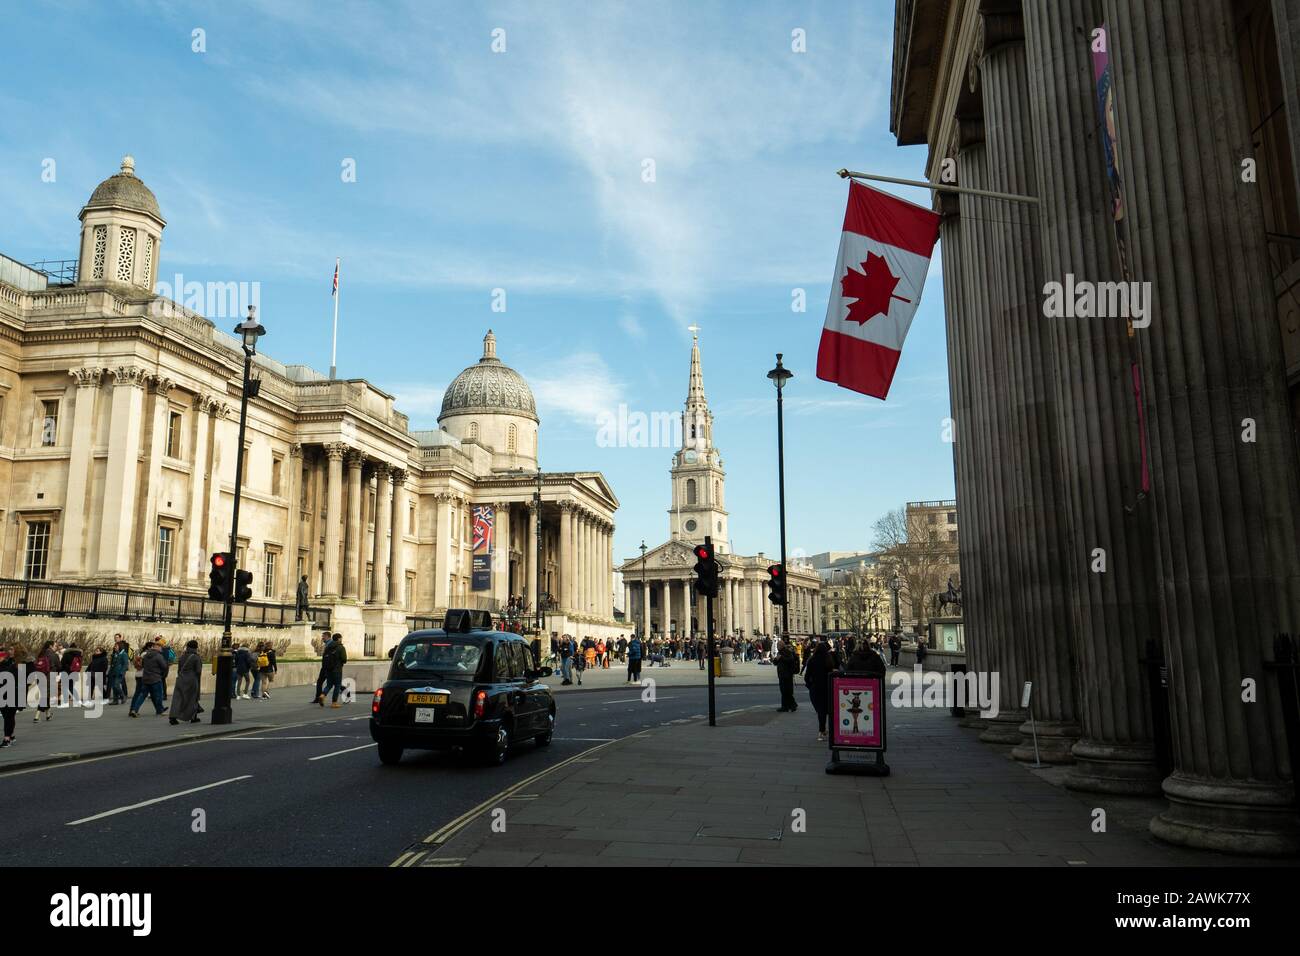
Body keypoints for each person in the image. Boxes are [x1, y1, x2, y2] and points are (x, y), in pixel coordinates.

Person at [803, 640, 834, 741]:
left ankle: (821, 731)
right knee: (830, 710)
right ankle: (832, 730)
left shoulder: (812, 660)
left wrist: (810, 686)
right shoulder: (829, 659)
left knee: (820, 711)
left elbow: (807, 677)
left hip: (816, 689)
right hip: (828, 688)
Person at [168, 640, 203, 725]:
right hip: (192, 680)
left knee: (177, 698)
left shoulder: (182, 656)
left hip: (181, 679)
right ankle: (193, 717)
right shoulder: (196, 657)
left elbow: (179, 669)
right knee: (192, 698)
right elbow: (198, 670)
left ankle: (173, 716)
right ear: (196, 647)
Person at [129, 642, 167, 717]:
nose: (161, 649)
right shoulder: (158, 656)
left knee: (142, 695)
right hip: (156, 678)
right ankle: (160, 711)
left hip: (146, 678)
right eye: (161, 647)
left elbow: (143, 665)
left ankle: (134, 710)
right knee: (159, 695)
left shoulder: (146, 655)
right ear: (158, 647)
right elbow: (164, 666)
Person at [32, 640, 58, 722]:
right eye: (55, 646)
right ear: (50, 646)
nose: (56, 647)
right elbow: (59, 666)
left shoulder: (41, 653)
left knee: (45, 695)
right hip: (49, 677)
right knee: (44, 697)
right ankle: (37, 715)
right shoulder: (53, 655)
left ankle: (48, 714)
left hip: (40, 677)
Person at [0, 644, 20, 747]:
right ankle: (11, 735)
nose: (10, 651)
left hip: (14, 692)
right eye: (9, 649)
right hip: (3, 691)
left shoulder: (21, 663)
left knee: (9, 715)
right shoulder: (6, 661)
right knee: (6, 715)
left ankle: (6, 739)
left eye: (12, 649)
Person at [321, 634, 347, 708]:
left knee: (329, 685)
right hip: (337, 669)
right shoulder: (341, 647)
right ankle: (334, 702)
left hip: (328, 669)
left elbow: (324, 658)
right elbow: (344, 659)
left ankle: (322, 695)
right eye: (341, 638)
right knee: (337, 685)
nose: (341, 639)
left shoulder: (328, 646)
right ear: (339, 639)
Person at [774, 639, 799, 713]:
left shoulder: (788, 651)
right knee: (784, 691)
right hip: (782, 674)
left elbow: (790, 660)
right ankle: (790, 705)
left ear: (782, 645)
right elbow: (775, 662)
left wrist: (781, 658)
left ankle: (787, 706)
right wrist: (776, 659)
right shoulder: (780, 652)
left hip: (787, 674)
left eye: (778, 645)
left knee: (786, 691)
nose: (777, 646)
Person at [312, 635, 337, 703]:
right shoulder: (327, 644)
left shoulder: (332, 645)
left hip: (329, 667)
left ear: (328, 637)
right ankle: (318, 697)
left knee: (333, 682)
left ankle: (319, 697)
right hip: (325, 667)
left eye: (324, 637)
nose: (322, 638)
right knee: (320, 682)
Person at [110, 638, 130, 704]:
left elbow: (125, 664)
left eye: (116, 646)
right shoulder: (115, 654)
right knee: (113, 686)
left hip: (120, 672)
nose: (114, 647)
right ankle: (115, 700)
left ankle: (122, 696)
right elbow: (112, 664)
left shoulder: (124, 654)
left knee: (116, 685)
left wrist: (122, 672)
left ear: (120, 647)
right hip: (114, 672)